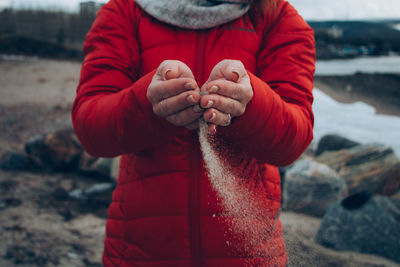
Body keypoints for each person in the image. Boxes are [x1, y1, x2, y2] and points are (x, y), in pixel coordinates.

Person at [72, 0, 315, 266]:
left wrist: (250, 105)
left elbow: (294, 140)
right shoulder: (124, 11)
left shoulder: (277, 17)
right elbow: (90, 129)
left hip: (250, 255)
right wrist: (147, 104)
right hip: (140, 252)